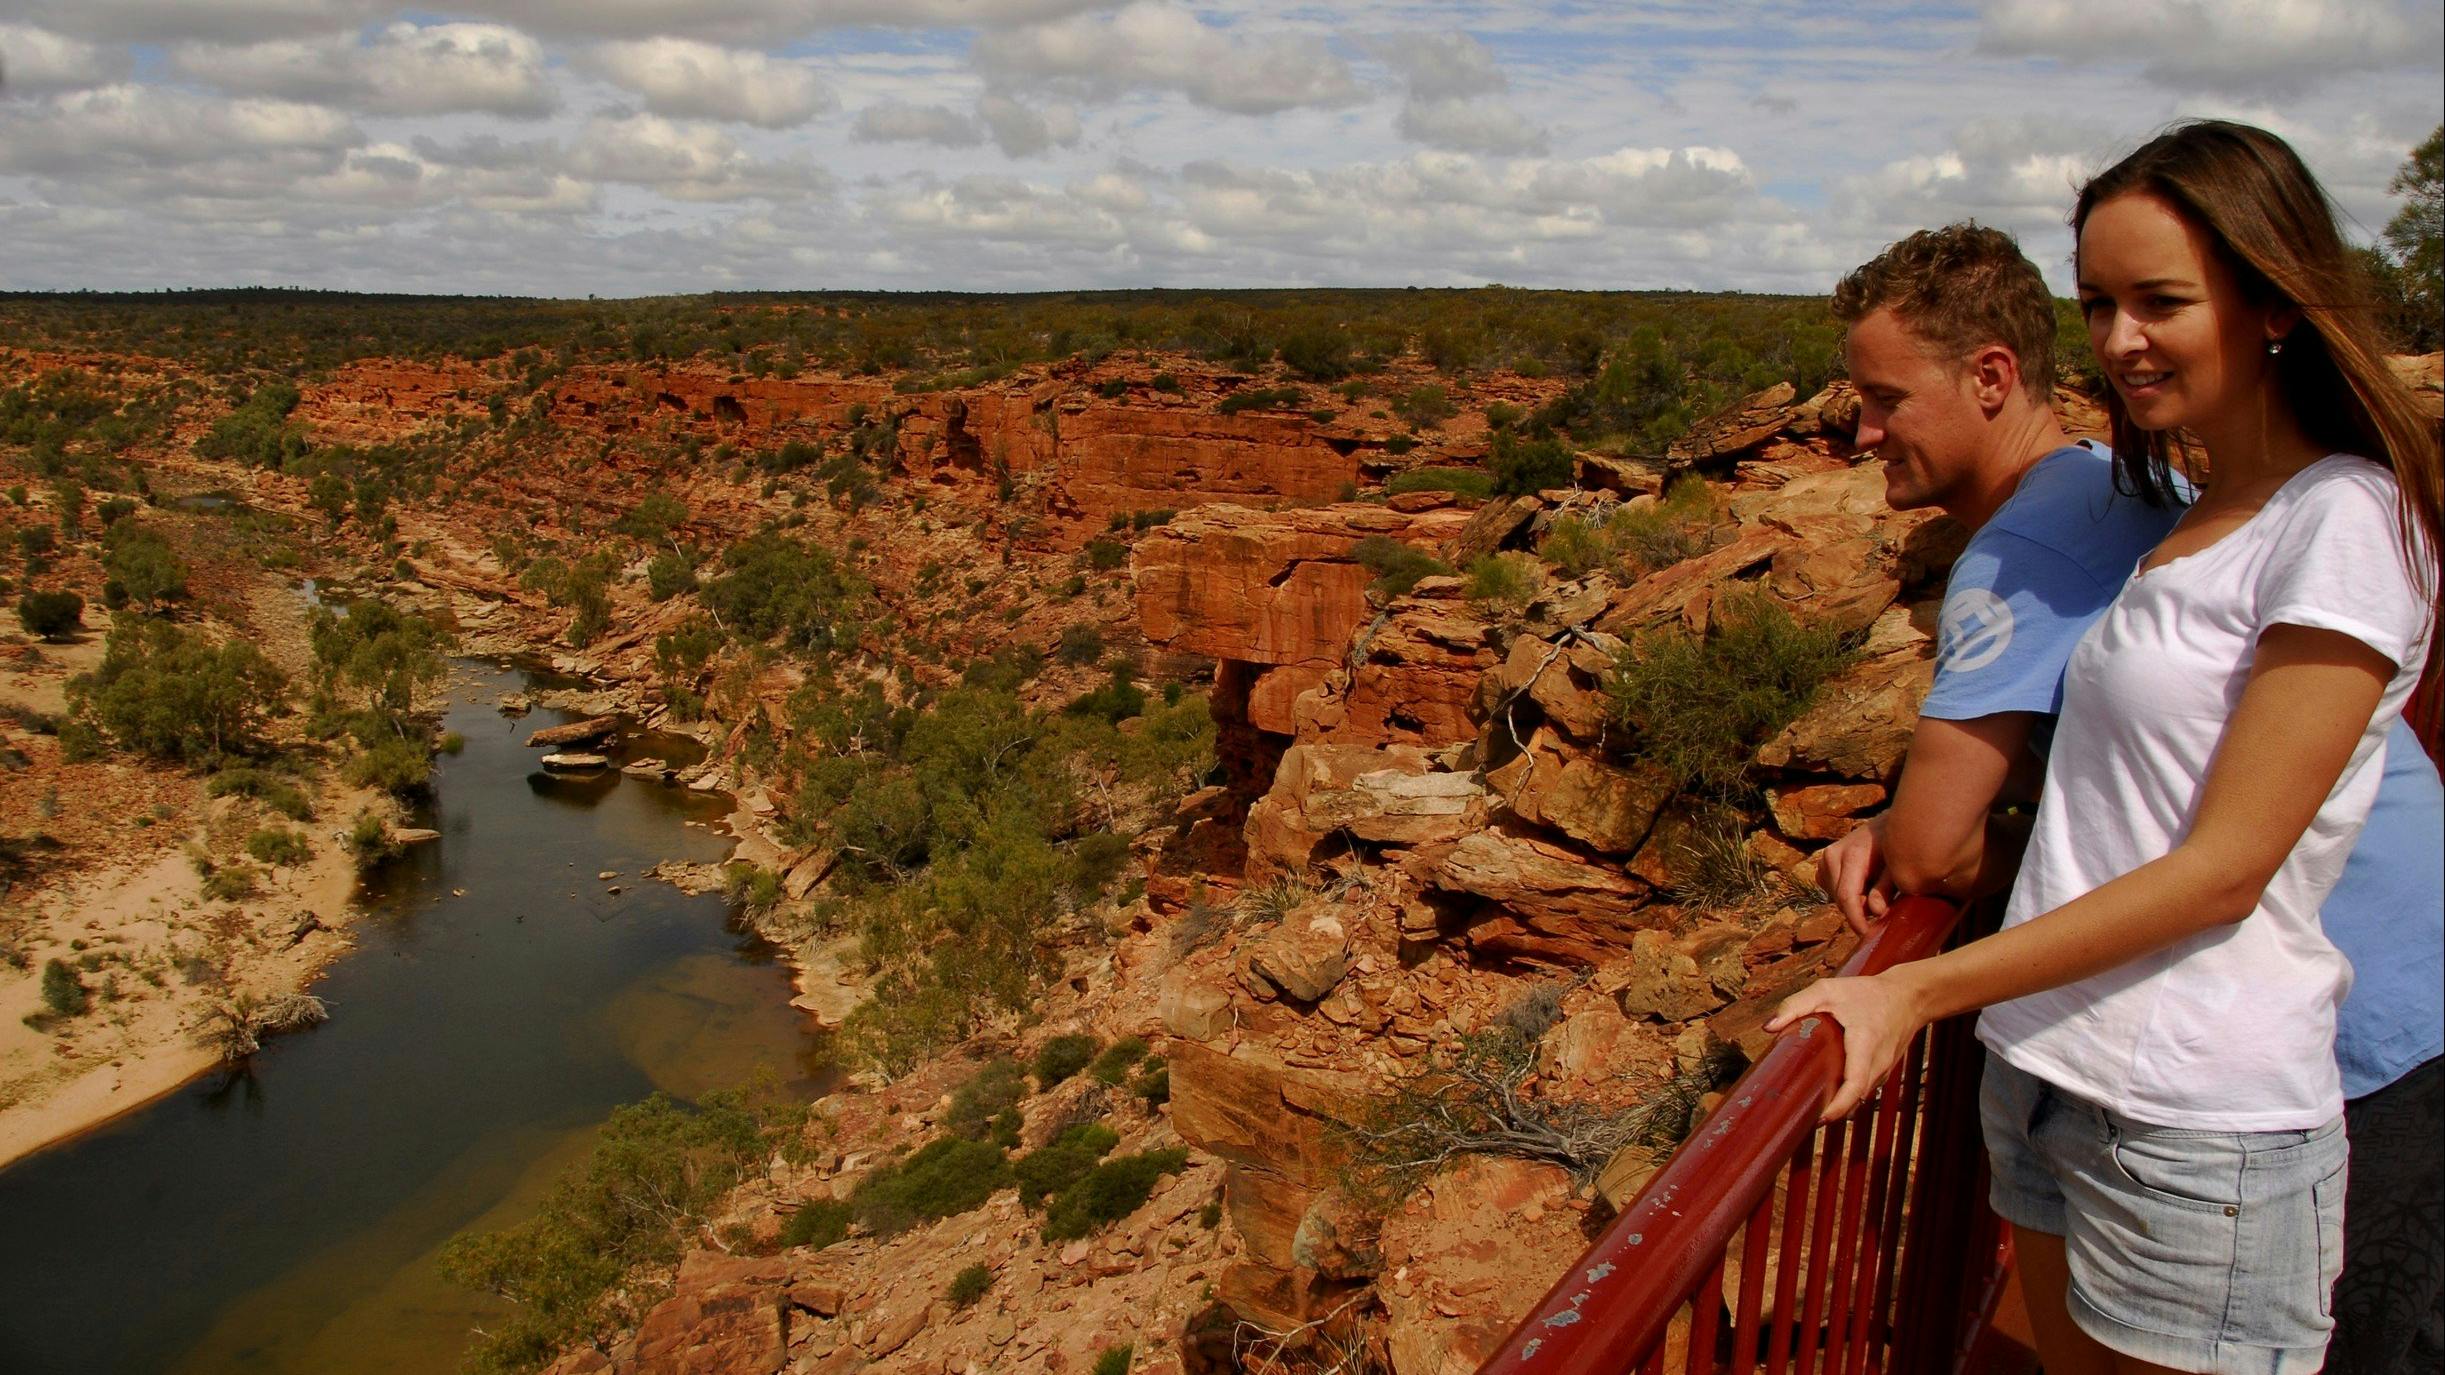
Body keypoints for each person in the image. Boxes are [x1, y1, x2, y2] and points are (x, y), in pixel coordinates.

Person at [1768, 120, 2442, 1375]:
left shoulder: (2342, 518)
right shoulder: (2175, 503)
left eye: (2162, 300)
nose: (2122, 339)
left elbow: (2226, 865)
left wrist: (1911, 985)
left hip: (2214, 1102)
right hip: (2066, 1069)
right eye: (2100, 303)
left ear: (2276, 300)